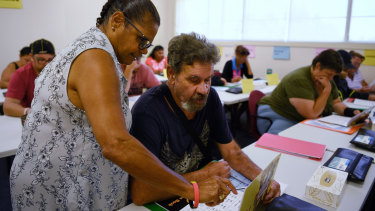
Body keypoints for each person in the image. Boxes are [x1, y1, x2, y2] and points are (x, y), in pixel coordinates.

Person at [9, 1, 232, 210]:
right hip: (56, 187)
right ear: (117, 21)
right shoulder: (95, 57)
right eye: (142, 40)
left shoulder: (94, 49)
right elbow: (116, 143)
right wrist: (190, 188)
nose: (144, 50)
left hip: (72, 181)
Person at [129, 32, 280, 206]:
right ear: (171, 74)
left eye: (207, 79)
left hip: (202, 193)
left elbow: (232, 152)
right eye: (194, 80)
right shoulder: (148, 112)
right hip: (165, 200)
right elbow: (141, 192)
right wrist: (203, 175)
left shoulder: (211, 97)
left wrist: (263, 180)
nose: (203, 89)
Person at [257, 49, 362, 135]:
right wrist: (326, 91)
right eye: (329, 74)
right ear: (318, 66)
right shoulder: (299, 79)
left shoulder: (325, 78)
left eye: (333, 75)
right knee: (282, 143)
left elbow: (336, 103)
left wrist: (352, 113)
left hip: (299, 116)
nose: (331, 79)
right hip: (279, 113)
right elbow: (311, 114)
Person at [3, 39, 55, 117]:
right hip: (31, 119)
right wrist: (30, 112)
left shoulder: (57, 71)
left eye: (50, 60)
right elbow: (8, 106)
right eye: (41, 60)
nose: (46, 64)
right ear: (31, 57)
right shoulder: (21, 74)